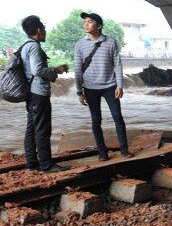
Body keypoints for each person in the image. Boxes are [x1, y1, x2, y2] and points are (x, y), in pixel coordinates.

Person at [74, 12, 133, 161]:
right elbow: (77, 68)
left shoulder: (111, 42)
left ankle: (124, 150)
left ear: (99, 26)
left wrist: (120, 85)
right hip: (90, 87)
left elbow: (117, 65)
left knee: (117, 117)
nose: (86, 24)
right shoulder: (80, 44)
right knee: (96, 120)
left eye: (90, 21)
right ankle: (102, 153)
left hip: (110, 86)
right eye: (85, 21)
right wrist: (79, 91)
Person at [20, 15, 70, 172]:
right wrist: (57, 70)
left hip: (30, 93)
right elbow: (37, 70)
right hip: (38, 93)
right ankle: (46, 165)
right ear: (39, 30)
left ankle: (32, 163)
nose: (45, 31)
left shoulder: (25, 45)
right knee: (42, 129)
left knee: (32, 128)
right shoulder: (34, 46)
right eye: (44, 28)